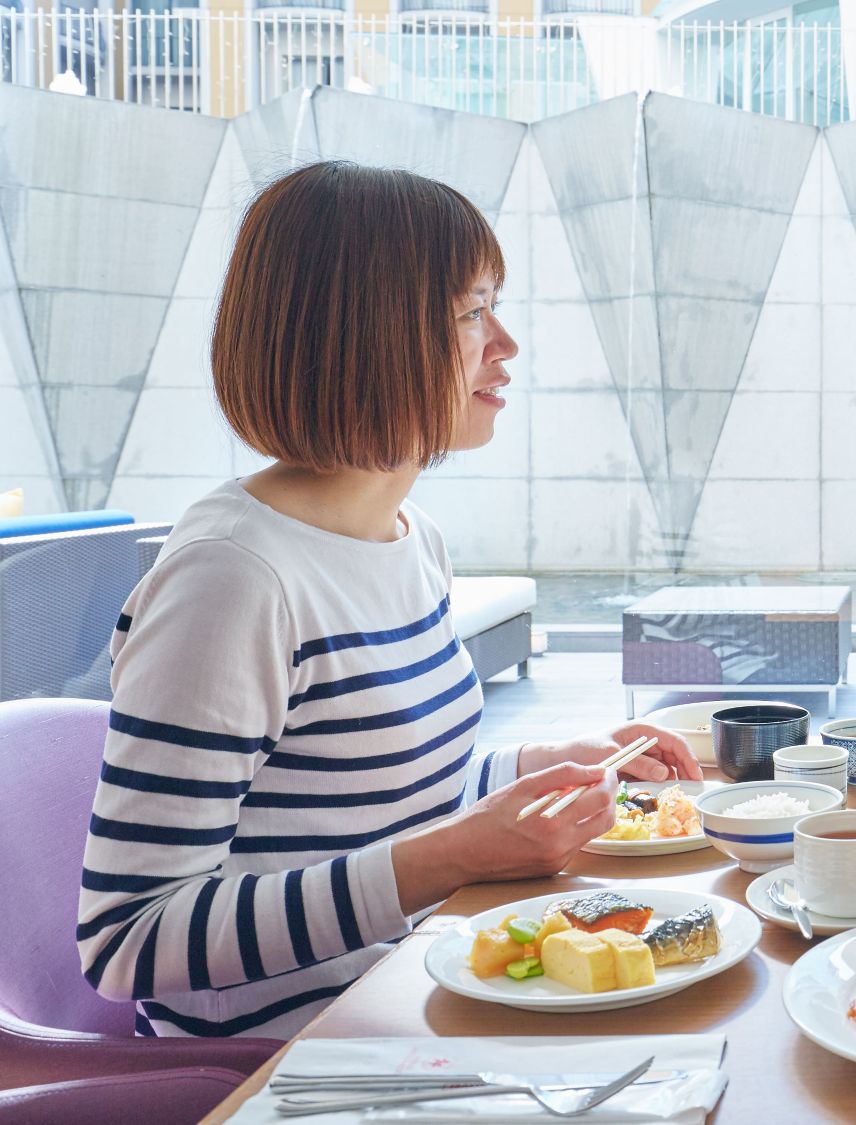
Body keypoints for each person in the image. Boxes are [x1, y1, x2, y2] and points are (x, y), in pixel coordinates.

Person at [76, 162, 701, 1038]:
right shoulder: (231, 581)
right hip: (294, 1065)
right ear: (368, 336)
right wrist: (448, 858)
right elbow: (128, 941)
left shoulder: (411, 538)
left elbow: (370, 803)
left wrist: (547, 763)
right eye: (473, 312)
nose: (506, 343)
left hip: (417, 1001)